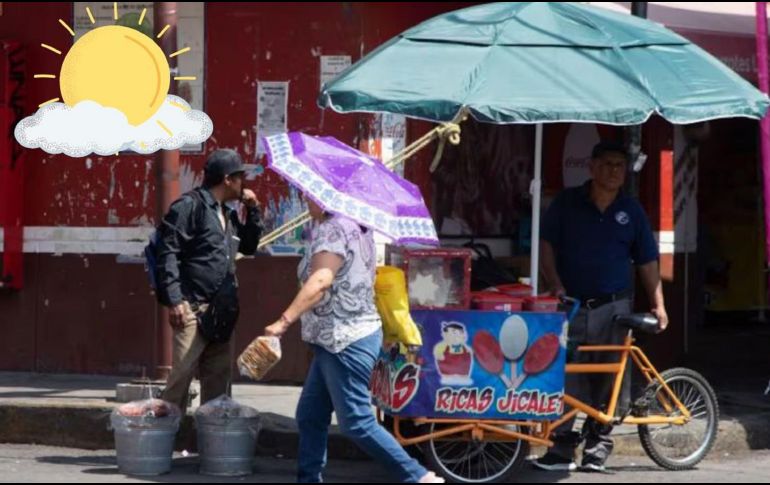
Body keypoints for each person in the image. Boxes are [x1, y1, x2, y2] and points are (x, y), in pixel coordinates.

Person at [264, 200, 444, 483]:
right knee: (311, 415)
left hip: (344, 340)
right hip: (335, 339)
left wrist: (283, 322)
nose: (305, 199)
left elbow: (321, 280)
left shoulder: (333, 229)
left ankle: (418, 477)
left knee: (357, 422)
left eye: (308, 194)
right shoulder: (356, 225)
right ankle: (308, 478)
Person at [534, 141, 669, 473]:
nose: (613, 171)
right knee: (567, 378)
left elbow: (648, 262)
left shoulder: (632, 211)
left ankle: (597, 448)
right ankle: (560, 450)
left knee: (610, 381)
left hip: (615, 308)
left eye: (620, 166)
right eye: (607, 164)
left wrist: (659, 304)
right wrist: (554, 283)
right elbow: (546, 245)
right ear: (591, 167)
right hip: (572, 304)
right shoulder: (567, 203)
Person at [158, 149, 262, 411]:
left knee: (218, 390)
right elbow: (167, 251)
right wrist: (174, 299)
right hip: (192, 308)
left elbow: (249, 247)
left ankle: (211, 447)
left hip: (221, 311)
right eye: (241, 178)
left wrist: (254, 211)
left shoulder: (227, 214)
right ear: (228, 179)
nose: (244, 185)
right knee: (179, 384)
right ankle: (160, 443)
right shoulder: (190, 206)